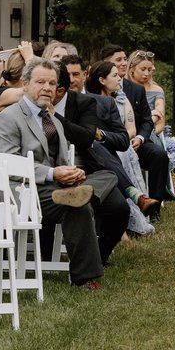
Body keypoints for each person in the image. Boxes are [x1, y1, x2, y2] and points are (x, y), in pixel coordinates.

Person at [0, 61, 103, 289]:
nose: (47, 88)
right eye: (40, 82)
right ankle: (85, 278)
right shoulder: (9, 117)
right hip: (19, 192)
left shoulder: (53, 121)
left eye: (52, 83)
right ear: (25, 84)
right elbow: (9, 164)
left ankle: (81, 192)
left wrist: (72, 173)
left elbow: (60, 161)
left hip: (55, 189)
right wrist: (53, 173)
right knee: (78, 204)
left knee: (106, 177)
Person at [63, 53, 134, 261]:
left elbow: (122, 140)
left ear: (85, 75)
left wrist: (99, 135)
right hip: (61, 168)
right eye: (67, 75)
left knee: (120, 210)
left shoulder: (102, 103)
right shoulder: (49, 105)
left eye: (76, 74)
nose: (72, 79)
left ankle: (100, 256)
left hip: (94, 167)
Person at [106, 47, 173, 206]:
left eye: (124, 59)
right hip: (110, 141)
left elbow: (146, 121)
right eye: (119, 60)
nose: (123, 63)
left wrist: (141, 138)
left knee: (159, 154)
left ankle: (155, 204)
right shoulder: (98, 87)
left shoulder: (136, 89)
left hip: (137, 140)